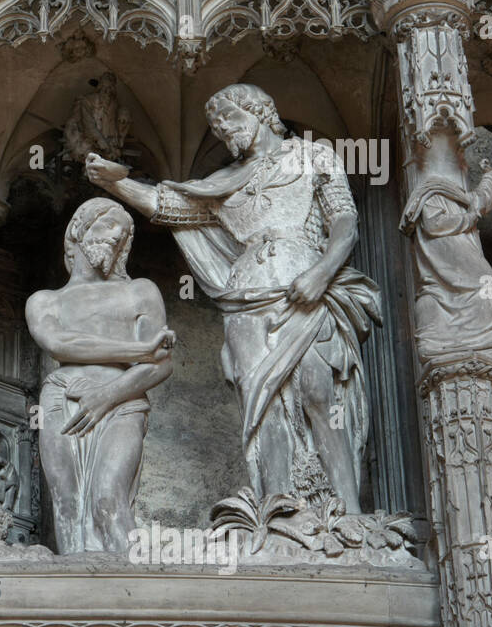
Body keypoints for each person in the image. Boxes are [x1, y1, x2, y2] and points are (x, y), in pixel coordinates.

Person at [87, 84, 380, 514]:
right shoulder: (224, 183)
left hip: (306, 288)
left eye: (227, 118)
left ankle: (350, 516)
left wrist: (321, 273)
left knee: (320, 391)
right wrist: (119, 184)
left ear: (259, 110)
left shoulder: (311, 156)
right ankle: (278, 512)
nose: (222, 130)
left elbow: (344, 222)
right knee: (262, 409)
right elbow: (167, 205)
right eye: (216, 126)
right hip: (246, 297)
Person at [26, 198, 173, 553]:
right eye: (108, 227)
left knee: (108, 498)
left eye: (122, 235)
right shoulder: (45, 301)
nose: (116, 237)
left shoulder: (139, 291)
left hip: (123, 403)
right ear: (79, 229)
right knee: (67, 505)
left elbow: (163, 364)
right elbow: (60, 344)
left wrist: (107, 394)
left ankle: (133, 597)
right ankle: (79, 598)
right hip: (62, 399)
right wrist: (140, 351)